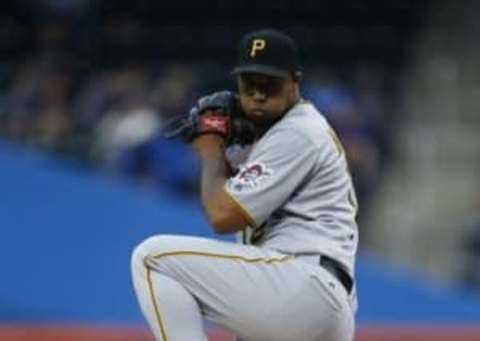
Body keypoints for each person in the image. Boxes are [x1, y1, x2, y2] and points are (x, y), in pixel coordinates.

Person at [131, 28, 359, 341]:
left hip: (302, 283)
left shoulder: (299, 131)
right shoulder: (275, 134)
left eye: (270, 83)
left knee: (152, 258)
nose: (258, 93)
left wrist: (210, 147)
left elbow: (223, 216)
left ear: (296, 81)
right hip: (316, 306)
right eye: (249, 83)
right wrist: (224, 144)